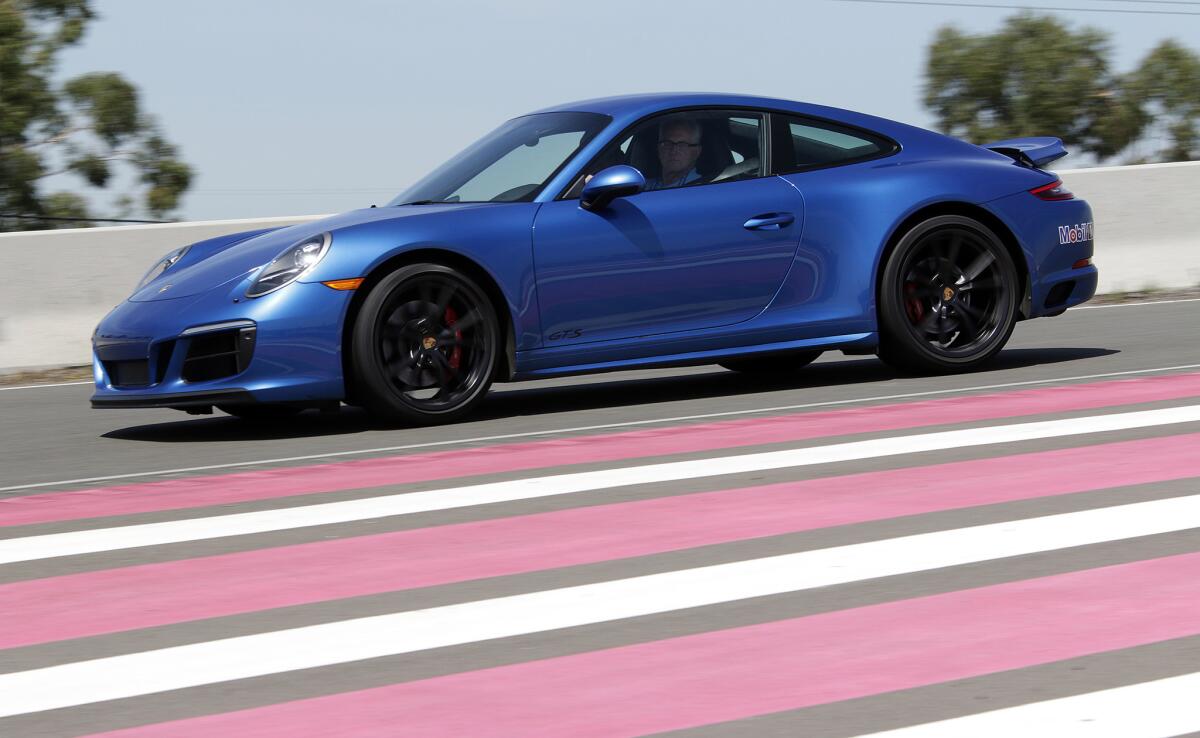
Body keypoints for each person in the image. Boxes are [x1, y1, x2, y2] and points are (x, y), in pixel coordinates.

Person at [643, 116, 703, 190]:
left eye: (682, 145)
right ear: (658, 148)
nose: (674, 150)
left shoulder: (701, 188)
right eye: (667, 143)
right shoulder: (644, 187)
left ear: (696, 152)